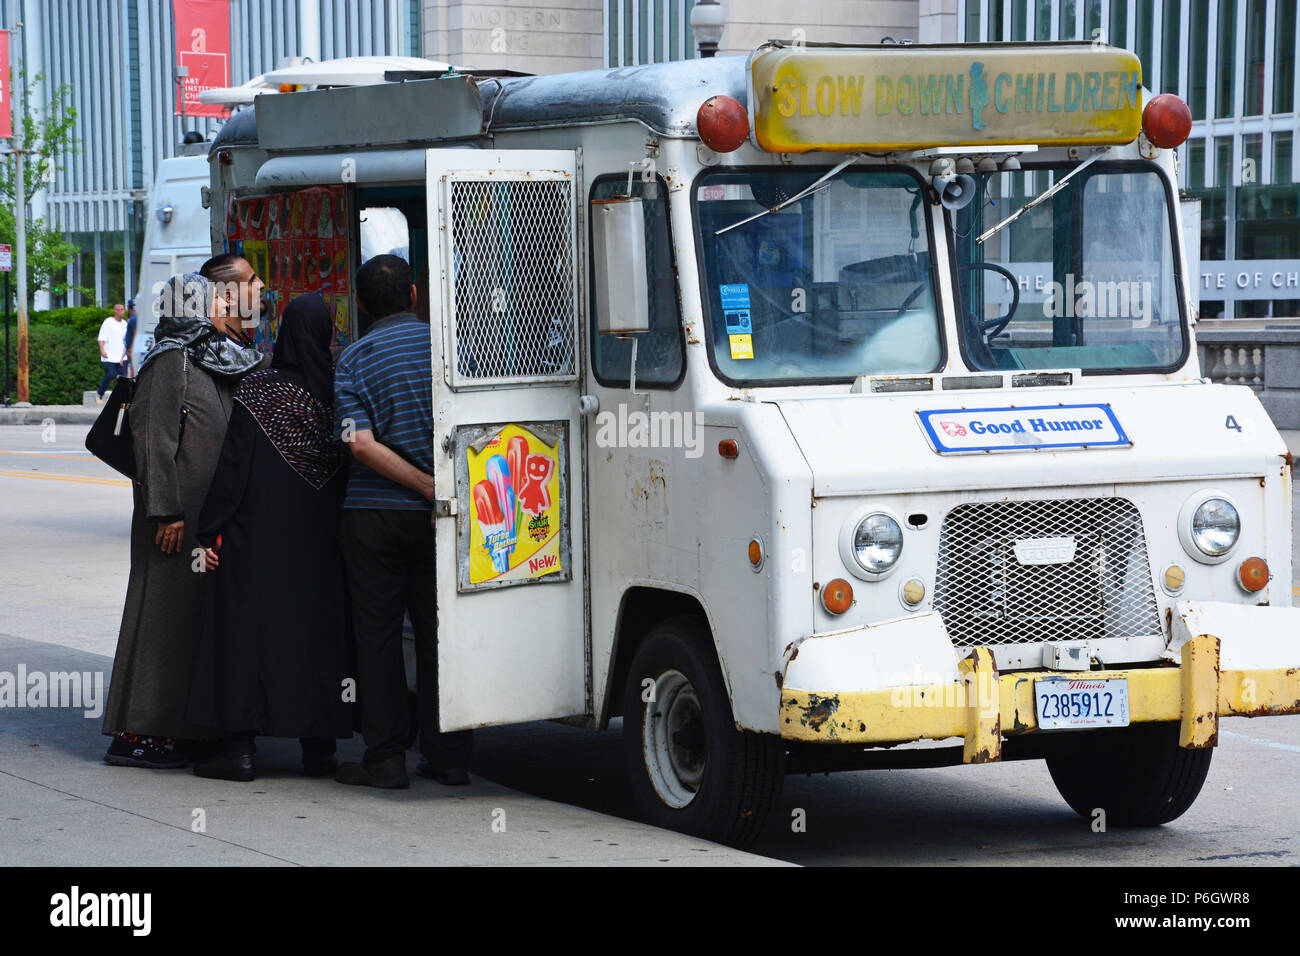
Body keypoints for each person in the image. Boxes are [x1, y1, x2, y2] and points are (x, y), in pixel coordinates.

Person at [102, 267, 267, 768]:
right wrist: (166, 511)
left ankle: (181, 727)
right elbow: (153, 440)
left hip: (200, 517)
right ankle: (137, 735)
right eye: (215, 303)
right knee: (159, 618)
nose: (224, 310)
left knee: (187, 622)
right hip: (172, 519)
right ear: (192, 309)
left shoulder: (205, 357)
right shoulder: (169, 359)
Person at [186, 294, 352, 781]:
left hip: (256, 538)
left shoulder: (259, 389)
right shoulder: (339, 390)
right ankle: (319, 751)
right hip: (321, 542)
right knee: (318, 640)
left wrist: (209, 530)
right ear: (326, 335)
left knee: (245, 637)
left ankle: (239, 752)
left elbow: (233, 468)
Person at [333, 254, 472, 789]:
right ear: (414, 295)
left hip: (372, 517)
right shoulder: (450, 347)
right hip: (443, 517)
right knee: (442, 632)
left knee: (378, 636)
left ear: (362, 306)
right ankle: (450, 754)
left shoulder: (354, 359)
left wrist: (416, 485)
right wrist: (436, 490)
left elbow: (360, 445)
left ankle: (386, 756)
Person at [95, 303, 129, 400]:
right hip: (109, 356)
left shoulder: (125, 324)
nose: (123, 311)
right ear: (116, 311)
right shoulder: (108, 322)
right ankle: (100, 393)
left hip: (122, 357)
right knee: (110, 374)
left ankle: (120, 398)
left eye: (124, 309)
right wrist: (102, 350)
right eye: (121, 309)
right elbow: (101, 338)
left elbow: (127, 341)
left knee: (123, 378)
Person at [123, 299, 138, 378]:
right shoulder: (138, 317)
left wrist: (131, 349)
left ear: (129, 307)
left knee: (132, 372)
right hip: (134, 349)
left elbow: (135, 333)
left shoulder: (133, 319)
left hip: (133, 350)